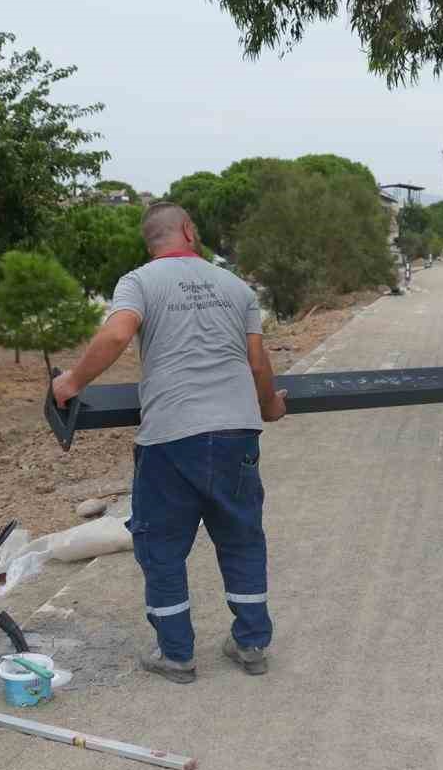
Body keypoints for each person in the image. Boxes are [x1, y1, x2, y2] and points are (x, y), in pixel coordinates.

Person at [51, 202, 287, 684]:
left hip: (171, 438)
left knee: (161, 546)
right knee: (242, 539)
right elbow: (258, 363)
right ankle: (252, 644)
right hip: (235, 435)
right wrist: (269, 407)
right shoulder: (236, 286)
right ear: (189, 230)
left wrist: (71, 382)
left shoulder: (139, 282)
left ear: (150, 241)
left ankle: (177, 654)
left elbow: (118, 334)